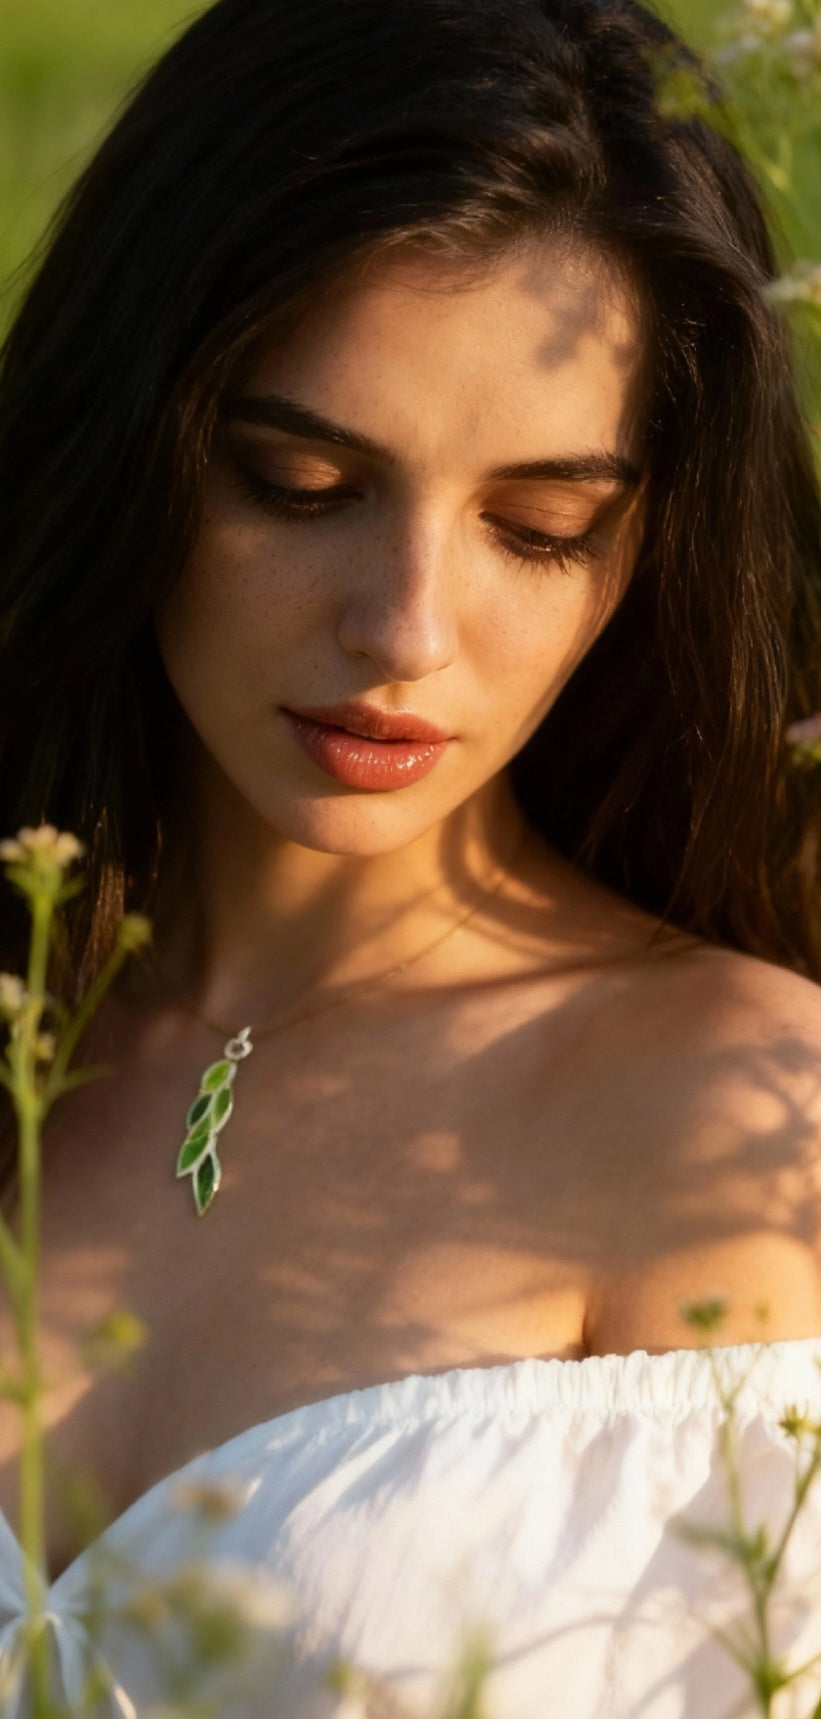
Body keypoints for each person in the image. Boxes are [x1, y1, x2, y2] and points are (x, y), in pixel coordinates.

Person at [1, 0, 821, 1713]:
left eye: (539, 528)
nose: (404, 631)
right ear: (131, 441)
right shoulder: (40, 1020)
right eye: (299, 483)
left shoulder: (739, 1119)